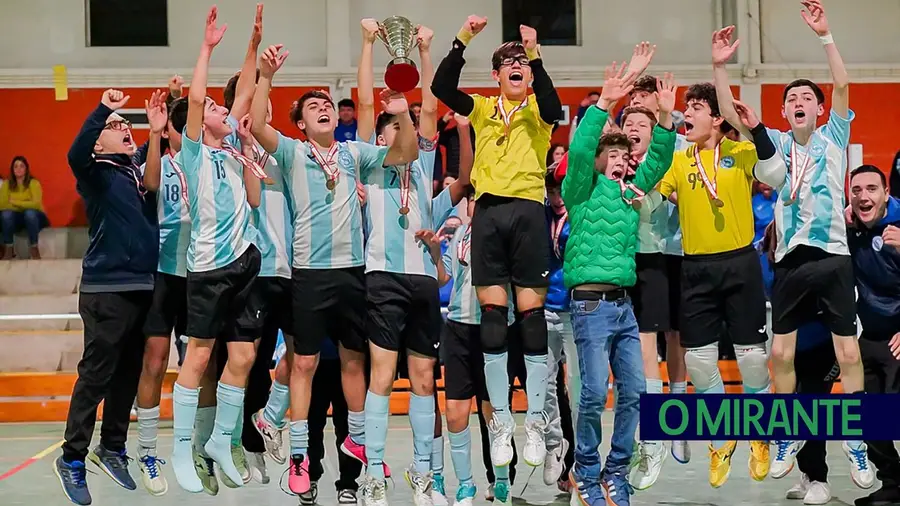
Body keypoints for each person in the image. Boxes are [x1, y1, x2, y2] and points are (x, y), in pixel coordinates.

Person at [248, 32, 419, 497]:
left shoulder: (352, 154)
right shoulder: (291, 152)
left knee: (352, 361)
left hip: (352, 272)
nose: (324, 107)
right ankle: (300, 459)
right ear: (301, 124)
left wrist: (401, 113)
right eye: (313, 106)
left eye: (327, 102)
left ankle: (360, 443)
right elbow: (258, 124)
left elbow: (404, 153)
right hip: (309, 274)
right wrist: (266, 76)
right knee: (303, 363)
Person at [711, 4, 871, 484]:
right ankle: (786, 434)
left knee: (847, 355)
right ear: (783, 111)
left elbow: (841, 84)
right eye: (792, 98)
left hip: (834, 259)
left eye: (807, 96)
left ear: (818, 109)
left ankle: (857, 441)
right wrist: (719, 66)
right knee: (780, 356)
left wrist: (825, 35)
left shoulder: (834, 136)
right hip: (790, 264)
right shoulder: (775, 143)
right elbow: (726, 114)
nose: (800, 101)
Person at [432, 15, 563, 473]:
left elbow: (552, 104)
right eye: (506, 63)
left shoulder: (538, 111)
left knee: (529, 319)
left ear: (526, 73)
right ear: (495, 75)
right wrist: (462, 36)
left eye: (519, 64)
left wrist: (535, 55)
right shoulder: (483, 109)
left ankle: (534, 421)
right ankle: (502, 421)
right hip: (487, 212)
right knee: (491, 317)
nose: (514, 67)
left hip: (527, 210)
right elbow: (441, 86)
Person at [356, 19, 471, 505]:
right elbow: (365, 105)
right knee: (381, 376)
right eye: (392, 128)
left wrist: (424, 52)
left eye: (405, 126)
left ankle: (424, 475)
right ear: (383, 137)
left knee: (425, 380)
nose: (403, 133)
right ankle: (374, 476)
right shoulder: (366, 161)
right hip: (381, 278)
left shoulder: (424, 166)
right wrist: (366, 45)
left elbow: (427, 108)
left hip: (423, 280)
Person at [658, 76, 788, 487]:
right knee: (698, 363)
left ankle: (761, 432)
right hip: (695, 269)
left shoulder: (741, 151)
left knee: (752, 359)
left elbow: (777, 175)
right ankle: (721, 436)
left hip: (739, 265)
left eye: (695, 108)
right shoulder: (679, 161)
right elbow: (653, 189)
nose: (688, 115)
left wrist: (760, 130)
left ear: (717, 119)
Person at [562, 62, 676, 506]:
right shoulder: (580, 190)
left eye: (622, 153)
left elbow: (660, 159)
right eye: (609, 152)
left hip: (624, 306)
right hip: (589, 305)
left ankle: (615, 473)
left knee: (634, 392)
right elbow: (579, 152)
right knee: (592, 392)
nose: (618, 157)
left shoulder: (633, 192)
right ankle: (585, 473)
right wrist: (605, 103)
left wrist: (665, 119)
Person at [170, 7, 265, 494]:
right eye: (213, 110)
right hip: (208, 270)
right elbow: (197, 96)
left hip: (245, 261)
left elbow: (244, 91)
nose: (220, 112)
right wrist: (206, 48)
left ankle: (221, 440)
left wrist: (252, 42)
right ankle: (182, 447)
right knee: (199, 359)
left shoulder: (232, 150)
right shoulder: (195, 151)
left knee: (245, 357)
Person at [55, 88, 158, 506]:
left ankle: (113, 447)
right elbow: (75, 152)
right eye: (116, 127)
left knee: (128, 374)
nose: (125, 130)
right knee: (96, 375)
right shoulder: (95, 173)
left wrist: (165, 107)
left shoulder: (137, 171)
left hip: (142, 287)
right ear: (99, 140)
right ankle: (71, 458)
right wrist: (103, 110)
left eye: (126, 125)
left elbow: (164, 139)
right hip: (106, 288)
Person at [626, 73, 692, 470]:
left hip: (679, 248)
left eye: (644, 99)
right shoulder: (619, 153)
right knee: (645, 336)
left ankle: (678, 418)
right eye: (632, 102)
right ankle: (652, 428)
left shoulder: (679, 145)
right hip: (641, 254)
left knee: (677, 336)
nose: (638, 106)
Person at [761, 223, 839, 505]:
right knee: (794, 411)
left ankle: (820, 479)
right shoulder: (768, 264)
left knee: (814, 411)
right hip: (788, 352)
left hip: (822, 348)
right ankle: (808, 475)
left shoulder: (818, 262)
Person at [847, 165, 900, 506]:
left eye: (871, 189)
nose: (864, 197)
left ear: (886, 194)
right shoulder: (848, 227)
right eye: (857, 190)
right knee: (869, 416)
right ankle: (894, 483)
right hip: (872, 336)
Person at [542, 168, 578, 490]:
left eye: (560, 191)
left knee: (579, 391)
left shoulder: (579, 213)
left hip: (576, 309)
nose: (556, 198)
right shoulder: (541, 215)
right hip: (545, 308)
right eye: (551, 192)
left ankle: (582, 463)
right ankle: (556, 443)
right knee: (545, 385)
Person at [303, 338, 363, 505]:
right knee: (311, 425)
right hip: (313, 360)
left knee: (347, 425)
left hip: (346, 360)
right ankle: (309, 475)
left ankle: (348, 483)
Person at [0, 156, 49, 259]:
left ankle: (34, 248)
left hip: (36, 217)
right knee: (6, 214)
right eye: (15, 166)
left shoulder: (33, 183)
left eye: (21, 166)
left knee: (29, 213)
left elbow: (36, 204)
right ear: (12, 170)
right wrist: (25, 203)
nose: (18, 169)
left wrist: (14, 202)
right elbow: (2, 205)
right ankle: (9, 248)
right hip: (17, 219)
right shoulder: (6, 185)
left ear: (26, 169)